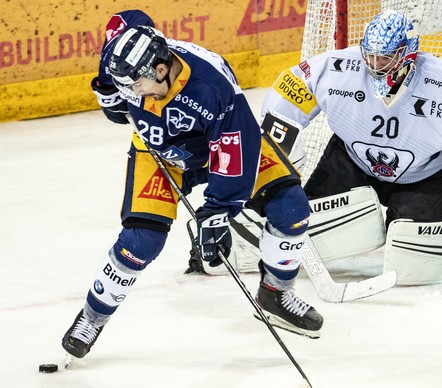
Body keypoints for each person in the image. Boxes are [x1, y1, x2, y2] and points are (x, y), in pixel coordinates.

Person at [62, 16, 323, 360]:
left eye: (135, 86)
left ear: (159, 70)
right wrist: (110, 93)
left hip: (222, 147)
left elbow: (235, 153)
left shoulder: (212, 89)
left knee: (291, 208)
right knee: (140, 242)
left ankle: (276, 292)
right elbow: (126, 26)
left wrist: (218, 211)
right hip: (160, 155)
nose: (132, 96)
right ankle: (93, 317)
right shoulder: (129, 56)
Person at [260, 10, 442, 267]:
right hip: (352, 162)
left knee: (413, 255)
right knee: (305, 223)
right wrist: (271, 164)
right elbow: (291, 91)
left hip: (424, 175)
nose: (375, 66)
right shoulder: (338, 68)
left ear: (407, 54)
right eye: (371, 56)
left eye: (385, 58)